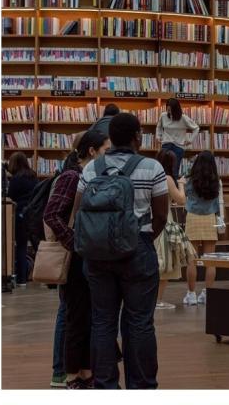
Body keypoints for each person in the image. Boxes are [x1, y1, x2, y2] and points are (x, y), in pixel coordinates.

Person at [71, 112, 168, 389]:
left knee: (102, 322)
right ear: (138, 136)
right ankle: (142, 386)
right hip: (137, 250)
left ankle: (106, 386)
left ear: (110, 138)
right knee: (140, 322)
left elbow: (78, 213)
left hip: (98, 255)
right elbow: (161, 215)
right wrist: (144, 240)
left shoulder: (91, 169)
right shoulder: (152, 167)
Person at [43, 129, 111, 389]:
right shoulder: (72, 177)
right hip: (75, 258)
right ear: (92, 151)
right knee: (75, 317)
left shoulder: (89, 175)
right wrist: (74, 242)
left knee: (86, 317)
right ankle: (71, 375)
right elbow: (52, 215)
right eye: (106, 150)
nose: (110, 156)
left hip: (87, 256)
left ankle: (84, 371)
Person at [183, 151, 225, 306]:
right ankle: (208, 293)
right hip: (210, 218)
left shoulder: (190, 180)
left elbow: (184, 196)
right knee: (210, 260)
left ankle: (191, 294)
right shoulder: (217, 181)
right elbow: (220, 202)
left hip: (193, 217)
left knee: (191, 260)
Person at [154, 149, 189, 310]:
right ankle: (158, 300)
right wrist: (181, 184)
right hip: (164, 222)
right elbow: (181, 199)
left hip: (150, 223)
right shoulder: (167, 178)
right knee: (165, 264)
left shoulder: (153, 175)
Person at [7, 151, 38, 287]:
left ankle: (21, 279)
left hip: (20, 214)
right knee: (36, 245)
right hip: (33, 213)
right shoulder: (33, 176)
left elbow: (10, 197)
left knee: (21, 245)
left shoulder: (15, 179)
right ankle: (42, 275)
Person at [155, 98, 199, 177]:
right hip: (166, 144)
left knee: (174, 171)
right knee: (162, 170)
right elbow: (159, 127)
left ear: (176, 109)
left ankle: (173, 187)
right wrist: (158, 136)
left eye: (170, 110)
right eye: (167, 109)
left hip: (178, 146)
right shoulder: (163, 116)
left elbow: (196, 128)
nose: (169, 112)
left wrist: (190, 140)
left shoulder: (183, 118)